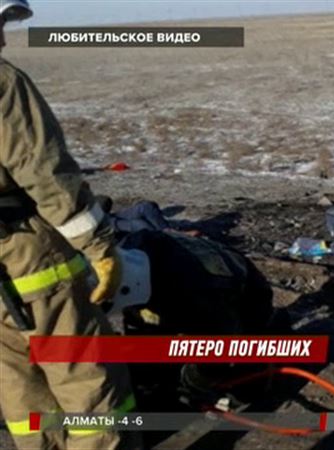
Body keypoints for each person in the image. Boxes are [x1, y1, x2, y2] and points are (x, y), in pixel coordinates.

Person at [0, 2, 140, 448]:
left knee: (22, 392)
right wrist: (99, 248)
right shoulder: (4, 82)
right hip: (27, 258)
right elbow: (45, 173)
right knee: (90, 391)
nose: (3, 38)